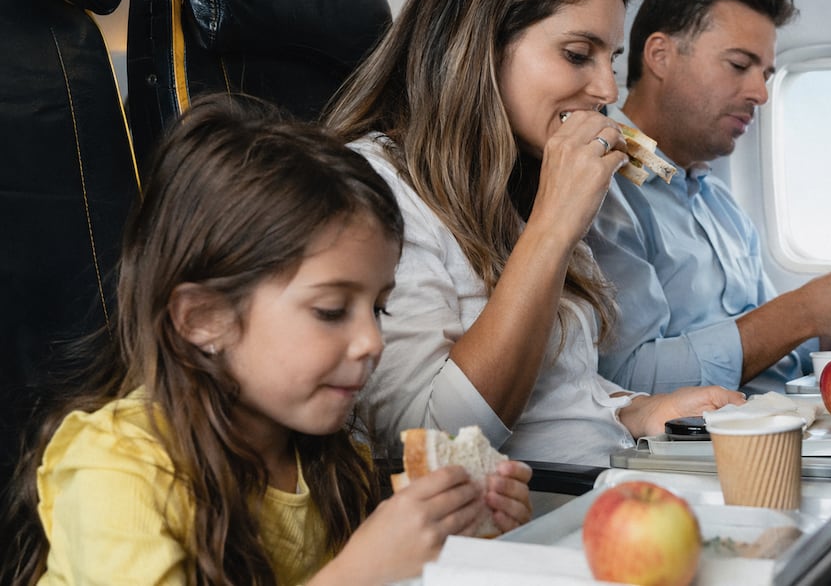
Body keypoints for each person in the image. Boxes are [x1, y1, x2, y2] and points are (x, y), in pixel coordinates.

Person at [2, 95, 533, 586]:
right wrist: (359, 573)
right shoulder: (117, 466)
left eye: (378, 308)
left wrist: (455, 543)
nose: (372, 342)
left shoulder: (328, 461)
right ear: (204, 318)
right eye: (331, 311)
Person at [323, 0, 745, 468]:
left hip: (599, 477)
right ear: (481, 45)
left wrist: (637, 410)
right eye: (578, 54)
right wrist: (554, 226)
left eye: (611, 60)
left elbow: (560, 391)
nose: (608, 90)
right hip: (530, 501)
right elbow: (432, 444)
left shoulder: (513, 185)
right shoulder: (374, 190)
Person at [587, 0, 831, 395]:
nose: (761, 94)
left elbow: (775, 355)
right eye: (739, 65)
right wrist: (803, 311)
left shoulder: (718, 203)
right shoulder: (604, 188)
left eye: (765, 75)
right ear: (660, 56)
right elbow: (625, 382)